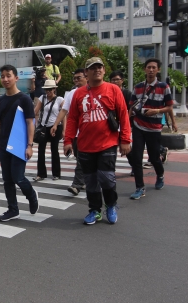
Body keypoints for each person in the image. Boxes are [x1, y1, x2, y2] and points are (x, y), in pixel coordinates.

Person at [63, 57, 131, 225]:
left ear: (104, 70)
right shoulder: (78, 94)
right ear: (86, 73)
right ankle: (94, 210)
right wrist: (68, 141)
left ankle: (111, 205)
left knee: (107, 178)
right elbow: (72, 119)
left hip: (108, 143)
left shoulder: (114, 90)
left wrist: (125, 139)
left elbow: (123, 115)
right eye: (92, 68)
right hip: (85, 145)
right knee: (91, 181)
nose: (97, 70)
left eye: (99, 67)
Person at [0, 64, 39, 222]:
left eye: (8, 75)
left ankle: (31, 195)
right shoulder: (0, 100)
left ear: (16, 78)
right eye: (2, 76)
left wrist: (29, 146)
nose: (5, 79)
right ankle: (13, 209)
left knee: (18, 177)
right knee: (7, 180)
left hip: (19, 145)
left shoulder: (24, 99)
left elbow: (30, 122)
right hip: (4, 145)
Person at [129, 58, 177, 200]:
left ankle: (160, 175)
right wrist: (128, 120)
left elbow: (169, 107)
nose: (150, 70)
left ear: (158, 70)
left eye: (153, 68)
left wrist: (157, 111)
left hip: (154, 128)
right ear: (145, 69)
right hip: (138, 126)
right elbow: (131, 106)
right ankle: (139, 188)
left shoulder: (164, 87)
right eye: (148, 67)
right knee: (137, 157)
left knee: (154, 157)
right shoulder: (138, 87)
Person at [50, 69, 88, 195]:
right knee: (80, 157)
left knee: (83, 159)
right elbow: (64, 110)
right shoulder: (72, 93)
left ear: (86, 77)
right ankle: (84, 180)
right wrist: (56, 124)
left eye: (79, 78)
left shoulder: (93, 90)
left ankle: (77, 183)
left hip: (90, 132)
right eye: (75, 78)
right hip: (77, 132)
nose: (76, 81)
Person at [33, 79, 64, 181]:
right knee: (41, 150)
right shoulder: (43, 98)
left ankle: (56, 173)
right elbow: (36, 110)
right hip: (43, 126)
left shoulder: (60, 100)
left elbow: (64, 115)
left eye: (50, 89)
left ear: (54, 89)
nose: (48, 92)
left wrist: (64, 129)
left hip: (56, 126)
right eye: (46, 90)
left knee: (54, 150)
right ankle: (41, 174)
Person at [109, 70, 135, 176]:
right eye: (113, 80)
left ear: (122, 80)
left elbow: (131, 108)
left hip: (124, 124)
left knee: (127, 148)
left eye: (117, 79)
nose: (115, 82)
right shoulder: (108, 92)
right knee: (111, 148)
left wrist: (125, 121)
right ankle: (110, 169)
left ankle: (134, 166)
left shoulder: (127, 93)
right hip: (112, 124)